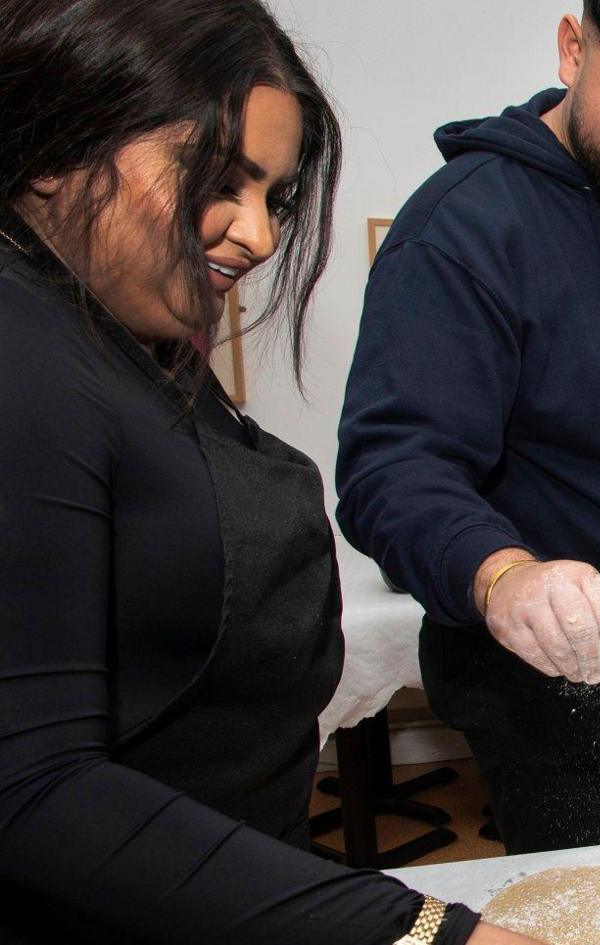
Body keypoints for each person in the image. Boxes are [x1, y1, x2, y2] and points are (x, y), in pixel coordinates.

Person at [0, 2, 539, 942]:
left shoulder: (127, 344)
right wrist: (420, 931)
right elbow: (35, 790)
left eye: (275, 197)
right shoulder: (21, 352)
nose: (256, 235)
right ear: (56, 143)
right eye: (221, 180)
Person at [336, 0, 600, 854]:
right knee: (596, 906)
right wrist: (503, 577)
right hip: (548, 668)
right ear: (573, 49)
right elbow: (391, 465)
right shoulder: (466, 226)